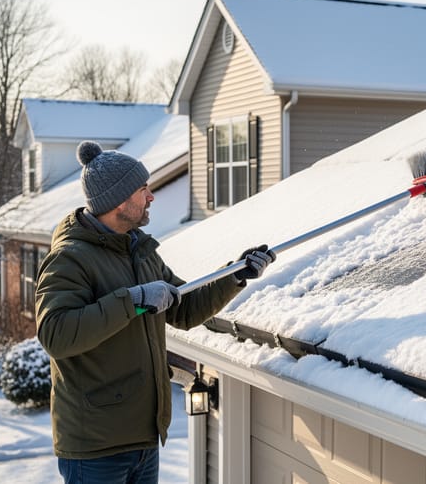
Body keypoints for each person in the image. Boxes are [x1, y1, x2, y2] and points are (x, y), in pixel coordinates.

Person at [36, 140, 275, 484]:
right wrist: (133, 301)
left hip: (144, 439)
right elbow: (56, 334)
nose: (151, 196)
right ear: (118, 200)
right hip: (96, 448)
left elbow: (184, 307)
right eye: (143, 189)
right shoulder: (70, 258)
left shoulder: (140, 251)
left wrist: (235, 275)